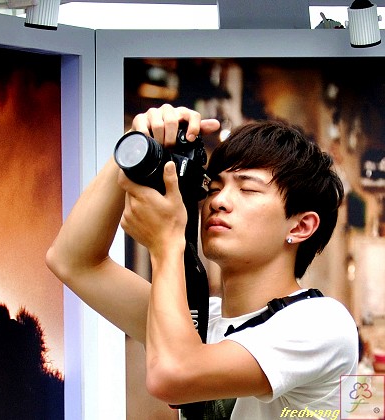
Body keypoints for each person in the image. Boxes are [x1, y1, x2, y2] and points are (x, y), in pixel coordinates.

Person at [46, 104, 358, 419]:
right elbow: (73, 261)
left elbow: (173, 376)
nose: (218, 201)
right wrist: (134, 144)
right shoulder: (201, 318)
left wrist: (167, 243)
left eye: (247, 189)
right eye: (214, 187)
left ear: (300, 226)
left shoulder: (321, 323)